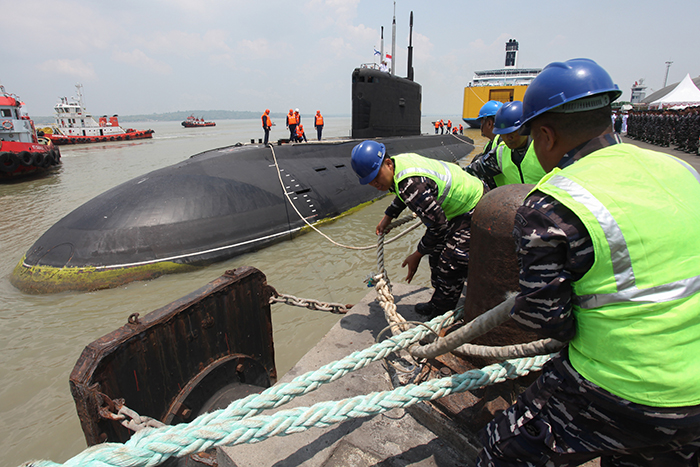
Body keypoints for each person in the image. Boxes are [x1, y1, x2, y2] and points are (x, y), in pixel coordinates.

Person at [477, 58, 700, 466]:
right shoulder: (683, 171)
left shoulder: (551, 205)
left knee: (498, 446)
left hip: (624, 388)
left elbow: (547, 320)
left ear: (544, 134)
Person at [350, 140, 484, 317]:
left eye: (376, 177)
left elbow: (438, 225)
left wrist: (417, 254)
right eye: (370, 181)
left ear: (388, 164)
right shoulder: (397, 166)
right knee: (435, 256)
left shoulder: (409, 182)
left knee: (450, 262)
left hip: (474, 206)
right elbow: (403, 194)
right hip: (456, 208)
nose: (375, 183)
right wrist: (388, 216)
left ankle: (442, 316)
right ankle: (438, 302)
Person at [466, 101, 546, 188]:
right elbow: (476, 169)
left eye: (512, 132)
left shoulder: (544, 148)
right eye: (503, 133)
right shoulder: (501, 152)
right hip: (514, 198)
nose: (508, 138)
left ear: (525, 127)